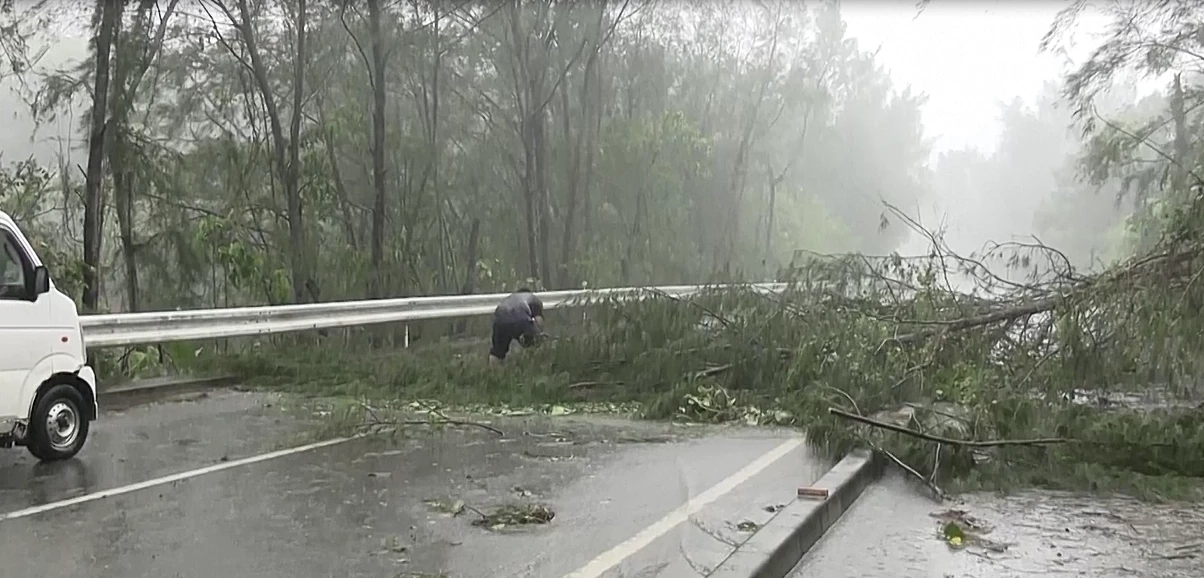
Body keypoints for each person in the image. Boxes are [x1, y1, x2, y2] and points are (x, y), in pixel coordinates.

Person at [489, 287, 544, 365]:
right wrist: (539, 333)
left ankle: (494, 373)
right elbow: (539, 321)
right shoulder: (533, 299)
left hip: (500, 317)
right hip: (519, 316)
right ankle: (532, 368)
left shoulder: (509, 298)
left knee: (497, 352)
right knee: (534, 343)